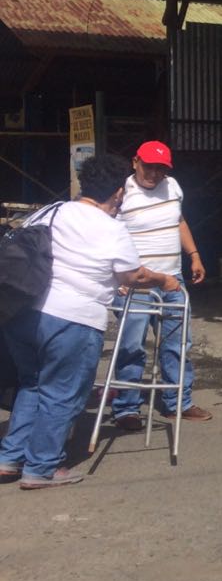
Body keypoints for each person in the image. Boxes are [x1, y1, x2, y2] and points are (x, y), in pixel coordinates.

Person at [0, 154, 178, 489]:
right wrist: (163, 280)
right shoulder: (112, 229)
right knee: (62, 393)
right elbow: (133, 275)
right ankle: (42, 467)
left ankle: (9, 457)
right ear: (117, 193)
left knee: (32, 384)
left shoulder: (51, 210)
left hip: (23, 315)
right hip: (72, 319)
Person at [110, 141, 211, 429]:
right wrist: (115, 277)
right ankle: (127, 408)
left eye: (161, 168)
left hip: (172, 280)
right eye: (148, 166)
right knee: (132, 345)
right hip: (136, 283)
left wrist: (194, 255)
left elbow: (179, 221)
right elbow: (104, 233)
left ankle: (178, 402)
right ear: (135, 162)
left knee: (177, 343)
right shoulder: (121, 193)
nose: (154, 174)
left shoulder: (173, 186)